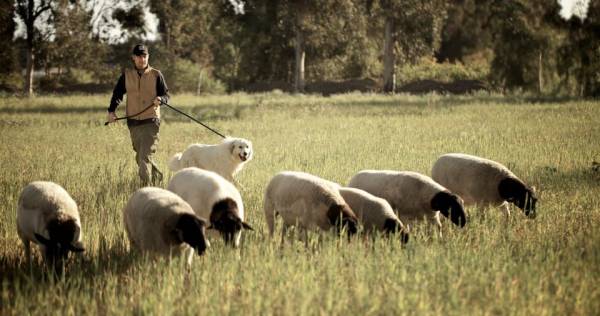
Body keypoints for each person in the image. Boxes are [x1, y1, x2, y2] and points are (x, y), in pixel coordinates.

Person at [106, 44, 169, 185]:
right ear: (133, 58)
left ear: (148, 57)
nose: (142, 59)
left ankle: (145, 188)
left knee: (144, 156)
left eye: (144, 56)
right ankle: (157, 178)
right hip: (133, 121)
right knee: (140, 156)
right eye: (139, 56)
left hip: (151, 120)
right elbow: (117, 94)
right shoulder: (126, 76)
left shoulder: (156, 74)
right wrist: (111, 111)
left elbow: (165, 95)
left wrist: (161, 99)